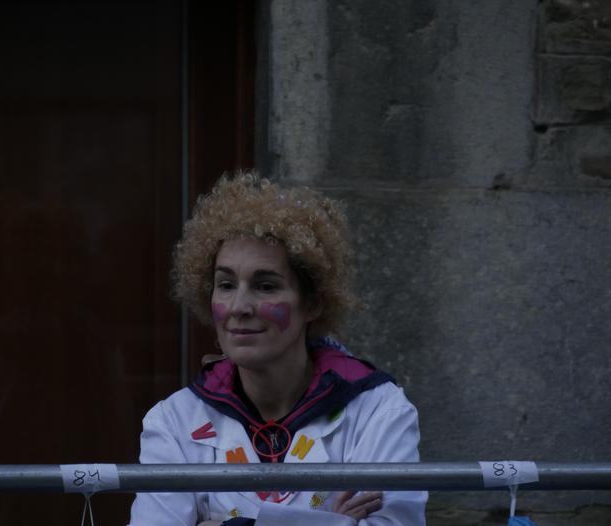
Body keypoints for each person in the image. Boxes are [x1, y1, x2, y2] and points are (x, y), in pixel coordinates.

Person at [128, 172, 427, 525]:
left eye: (266, 286)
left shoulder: (378, 410)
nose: (239, 306)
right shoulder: (174, 421)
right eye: (226, 284)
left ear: (313, 303)